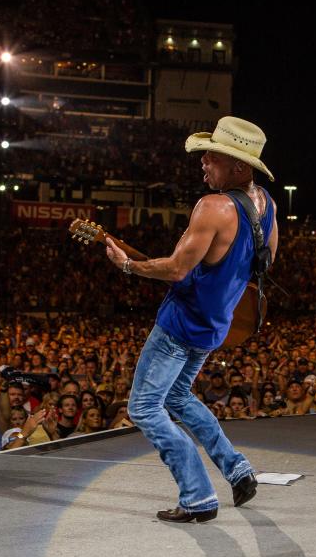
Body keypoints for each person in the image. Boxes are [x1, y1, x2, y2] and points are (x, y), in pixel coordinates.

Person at [98, 116, 277, 524]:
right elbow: (264, 264)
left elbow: (178, 269)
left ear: (239, 167)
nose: (203, 164)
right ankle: (237, 468)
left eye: (212, 157)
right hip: (214, 326)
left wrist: (128, 266)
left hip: (180, 325)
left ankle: (197, 496)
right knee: (177, 398)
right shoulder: (266, 204)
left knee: (143, 408)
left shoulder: (213, 206)